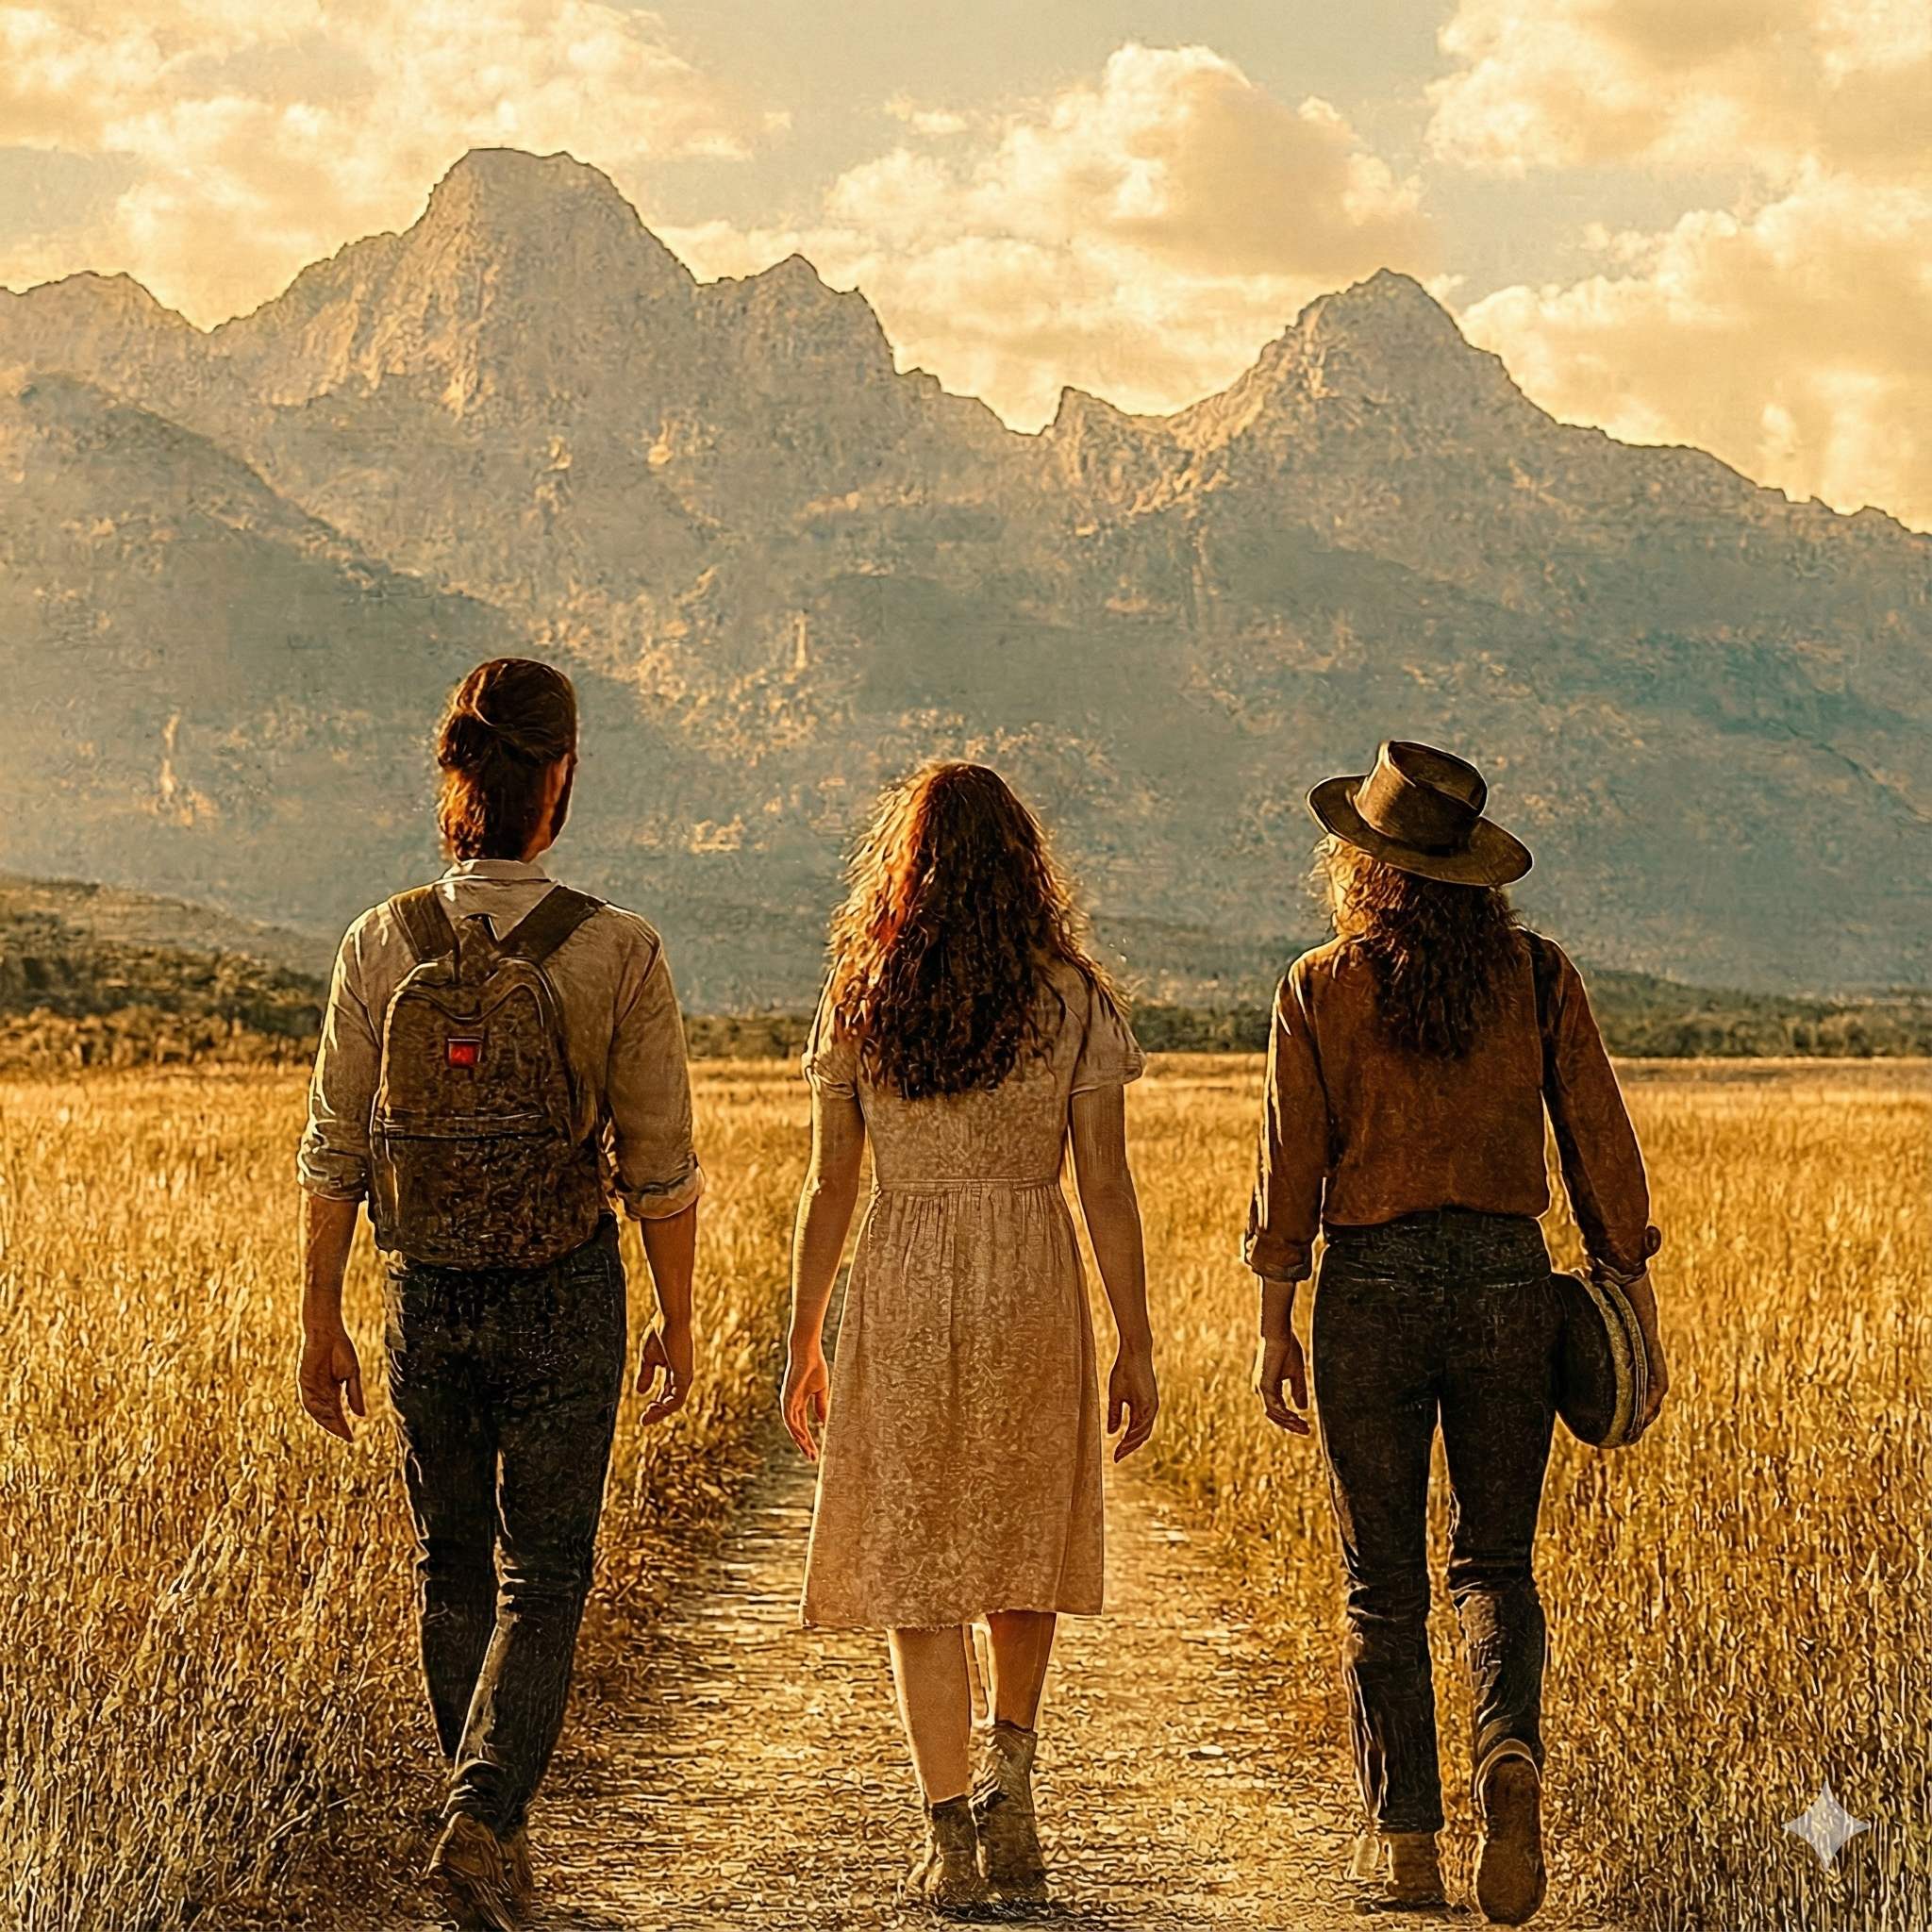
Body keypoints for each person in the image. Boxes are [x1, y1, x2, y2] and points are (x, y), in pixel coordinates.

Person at [294, 658, 704, 1932]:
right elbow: (662, 1168)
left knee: (452, 1564)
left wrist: (321, 1311)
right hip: (562, 1291)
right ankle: (483, 1814)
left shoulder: (381, 940)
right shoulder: (618, 951)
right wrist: (679, 1319)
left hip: (425, 1293)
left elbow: (334, 1149)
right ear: (561, 776)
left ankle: (488, 1829)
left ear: (455, 778)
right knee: (547, 1574)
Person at [1244, 740, 1668, 1926]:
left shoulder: (1316, 984)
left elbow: (1286, 1176)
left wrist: (1274, 1323)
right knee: (1494, 1562)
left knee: (1378, 1583)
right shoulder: (1536, 978)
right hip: (1504, 1284)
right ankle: (1506, 1751)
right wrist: (1628, 1290)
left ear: (1363, 868)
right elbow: (1598, 1145)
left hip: (1365, 1291)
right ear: (1476, 874)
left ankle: (1407, 1841)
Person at [782, 760, 1158, 1911]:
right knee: (1020, 1532)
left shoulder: (862, 993)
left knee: (916, 1553)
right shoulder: (1072, 996)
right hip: (1032, 1275)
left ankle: (946, 1827)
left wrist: (805, 1332)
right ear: (1023, 867)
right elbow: (1104, 1182)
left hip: (900, 1278)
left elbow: (827, 1181)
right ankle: (1015, 1775)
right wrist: (1134, 1337)